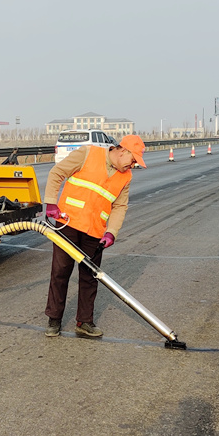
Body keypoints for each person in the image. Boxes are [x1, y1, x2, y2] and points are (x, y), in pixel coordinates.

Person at [43, 135, 146, 338]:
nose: (133, 165)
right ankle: (54, 319)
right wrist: (51, 202)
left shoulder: (126, 177)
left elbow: (119, 206)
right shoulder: (88, 153)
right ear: (122, 151)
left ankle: (84, 321)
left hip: (95, 231)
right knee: (60, 271)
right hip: (68, 223)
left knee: (90, 276)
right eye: (133, 160)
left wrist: (111, 232)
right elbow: (57, 173)